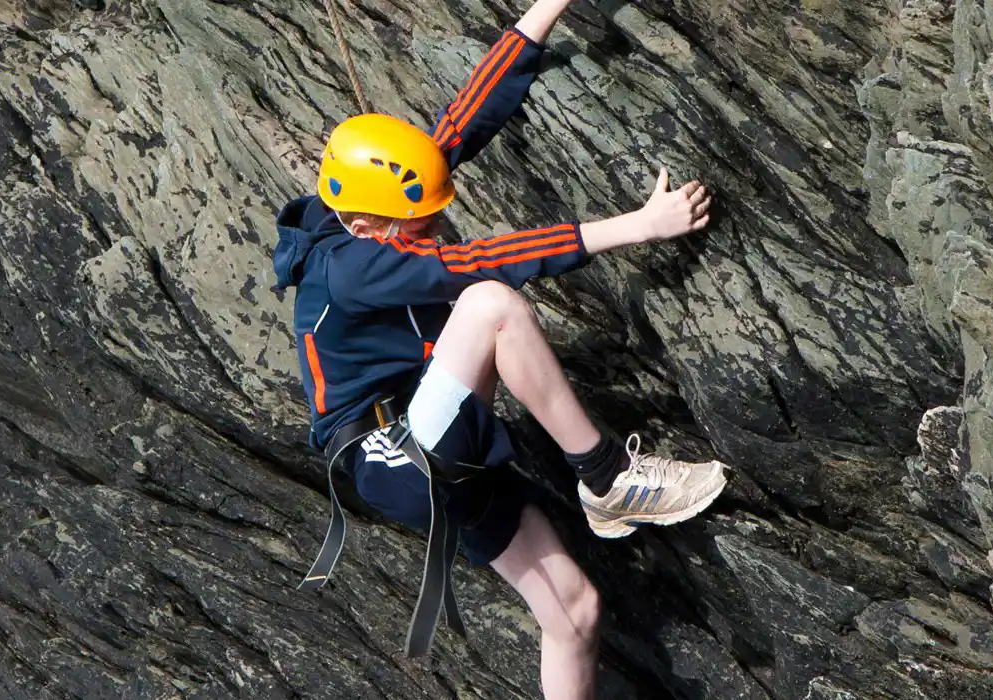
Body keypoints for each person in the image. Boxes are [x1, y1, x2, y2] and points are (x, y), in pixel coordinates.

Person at [270, 1, 728, 696]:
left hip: (435, 433)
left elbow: (461, 121)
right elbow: (485, 262)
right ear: (365, 224)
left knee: (574, 611)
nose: (430, 232)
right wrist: (640, 225)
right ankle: (608, 479)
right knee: (491, 306)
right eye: (416, 228)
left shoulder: (377, 214)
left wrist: (546, 7)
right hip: (395, 458)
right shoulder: (350, 266)